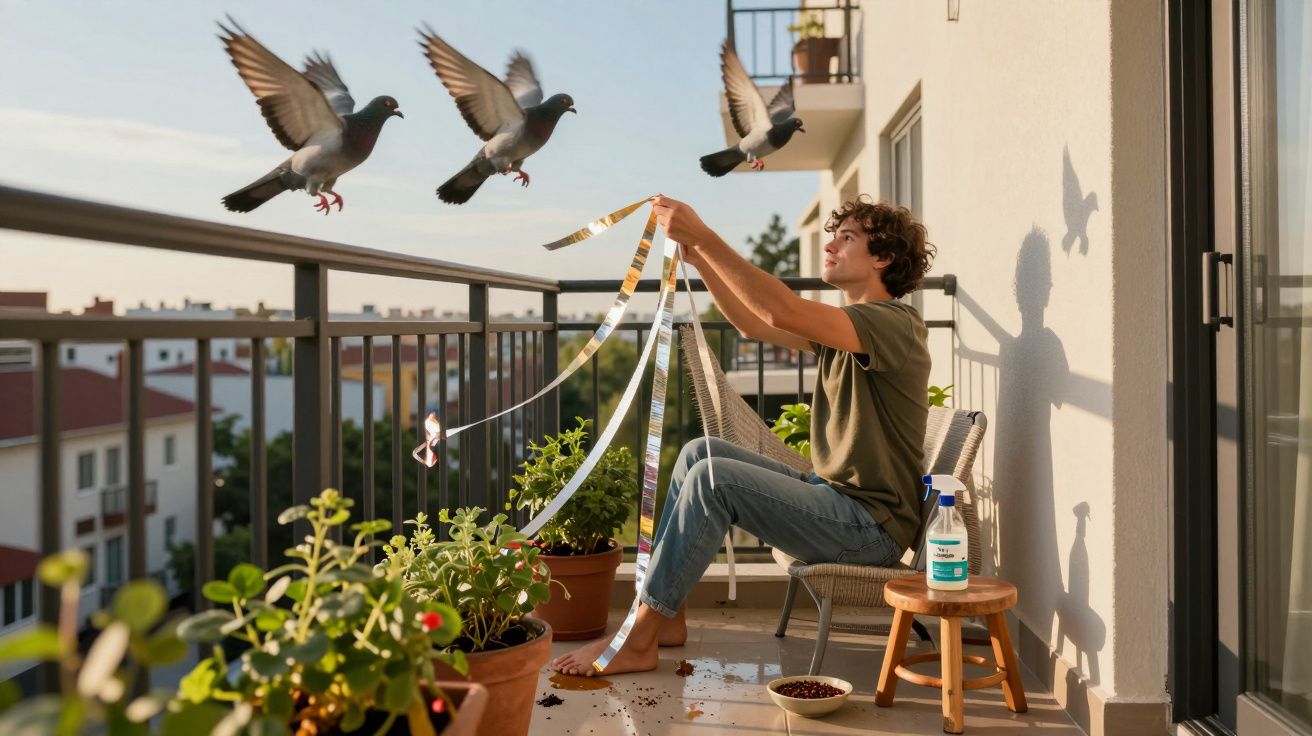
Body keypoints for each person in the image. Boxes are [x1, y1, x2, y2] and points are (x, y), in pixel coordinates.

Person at [550, 194, 935, 676]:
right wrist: (702, 257)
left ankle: (641, 636)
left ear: (883, 259)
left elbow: (780, 311)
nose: (830, 244)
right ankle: (666, 619)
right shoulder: (850, 328)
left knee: (716, 479)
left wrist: (706, 235)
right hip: (836, 500)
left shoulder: (894, 324)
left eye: (848, 238)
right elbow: (752, 322)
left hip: (868, 527)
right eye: (835, 235)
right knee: (698, 453)